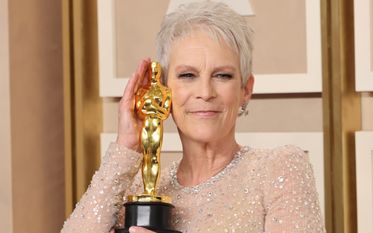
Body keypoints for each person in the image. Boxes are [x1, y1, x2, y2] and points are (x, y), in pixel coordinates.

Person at [61, 2, 325, 233]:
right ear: (164, 89)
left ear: (246, 89)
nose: (205, 93)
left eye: (222, 75)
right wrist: (126, 146)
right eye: (188, 75)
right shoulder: (143, 187)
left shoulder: (279, 169)